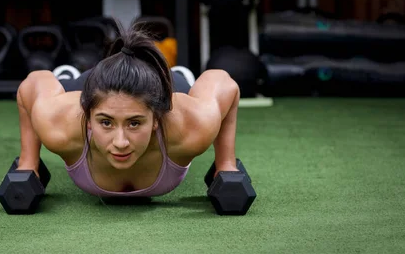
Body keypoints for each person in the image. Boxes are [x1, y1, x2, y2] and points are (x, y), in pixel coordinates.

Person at [14, 23, 241, 198]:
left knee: (178, 83)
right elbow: (33, 83)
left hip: (166, 86)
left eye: (134, 123)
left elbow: (223, 82)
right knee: (71, 87)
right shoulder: (59, 123)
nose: (120, 142)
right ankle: (69, 78)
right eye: (106, 123)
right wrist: (28, 163)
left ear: (155, 120)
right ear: (88, 119)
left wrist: (225, 164)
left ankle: (179, 75)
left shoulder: (192, 125)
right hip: (89, 87)